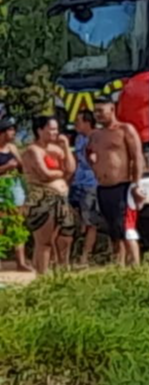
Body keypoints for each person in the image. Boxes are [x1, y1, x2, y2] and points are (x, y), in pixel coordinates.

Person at [88, 97, 143, 268]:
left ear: (112, 109)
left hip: (123, 187)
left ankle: (135, 267)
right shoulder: (95, 135)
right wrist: (94, 164)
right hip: (104, 188)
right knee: (113, 230)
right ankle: (118, 266)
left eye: (101, 111)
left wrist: (136, 185)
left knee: (126, 229)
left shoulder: (125, 130)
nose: (98, 115)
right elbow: (88, 152)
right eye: (95, 112)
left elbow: (137, 157)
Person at [21, 115, 78, 274]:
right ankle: (42, 276)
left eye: (56, 129)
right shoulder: (33, 150)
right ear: (40, 130)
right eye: (51, 129)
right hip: (41, 197)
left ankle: (62, 271)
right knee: (44, 242)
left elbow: (71, 169)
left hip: (61, 197)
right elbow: (44, 174)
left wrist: (66, 147)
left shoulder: (56, 149)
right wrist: (61, 172)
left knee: (65, 236)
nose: (55, 132)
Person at [70, 110, 104, 266]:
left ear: (87, 122)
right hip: (77, 182)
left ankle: (85, 256)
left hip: (91, 182)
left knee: (90, 220)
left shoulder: (98, 137)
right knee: (74, 219)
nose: (76, 124)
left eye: (79, 121)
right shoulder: (78, 138)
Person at [0, 116, 28, 272]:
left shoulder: (13, 148)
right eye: (10, 130)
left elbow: (22, 168)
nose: (13, 133)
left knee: (18, 222)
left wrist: (18, 162)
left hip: (14, 185)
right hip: (1, 185)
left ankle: (21, 262)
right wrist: (5, 167)